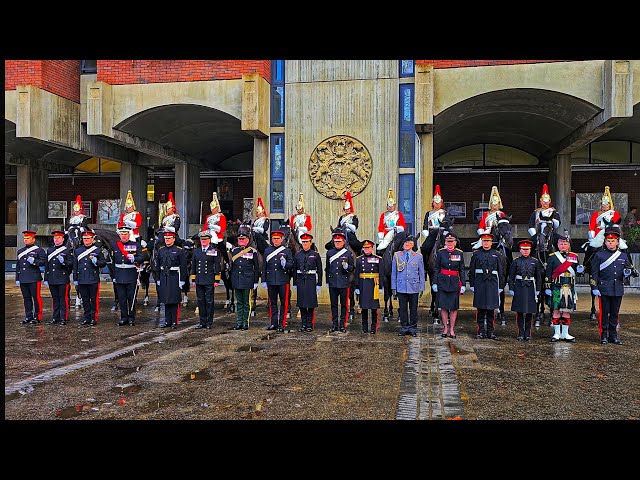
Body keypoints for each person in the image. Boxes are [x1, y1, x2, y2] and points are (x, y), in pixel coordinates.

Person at [590, 228, 639, 345]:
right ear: (605, 242)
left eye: (613, 241)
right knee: (604, 313)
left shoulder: (623, 255)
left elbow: (628, 270)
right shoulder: (599, 255)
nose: (610, 243)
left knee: (614, 313)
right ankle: (604, 336)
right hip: (604, 288)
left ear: (617, 242)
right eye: (608, 241)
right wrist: (594, 288)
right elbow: (594, 273)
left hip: (618, 288)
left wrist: (632, 272)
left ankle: (613, 336)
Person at [544, 233, 583, 342]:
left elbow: (577, 273)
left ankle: (565, 334)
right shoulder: (552, 257)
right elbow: (548, 273)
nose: (563, 246)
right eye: (561, 244)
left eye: (565, 244)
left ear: (569, 244)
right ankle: (556, 334)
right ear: (557, 244)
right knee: (556, 310)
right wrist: (547, 287)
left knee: (566, 311)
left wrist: (580, 271)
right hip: (556, 287)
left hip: (569, 288)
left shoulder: (574, 257)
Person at [469, 233, 507, 339]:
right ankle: (480, 331)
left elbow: (501, 271)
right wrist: (472, 285)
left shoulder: (497, 254)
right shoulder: (476, 254)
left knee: (491, 309)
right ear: (482, 242)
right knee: (480, 309)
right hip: (480, 283)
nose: (486, 243)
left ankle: (490, 331)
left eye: (488, 241)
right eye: (484, 241)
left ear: (491, 242)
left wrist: (501, 286)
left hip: (492, 283)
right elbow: (472, 271)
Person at [432, 232, 466, 338]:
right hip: (443, 282)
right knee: (444, 307)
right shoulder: (441, 253)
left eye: (452, 242)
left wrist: (463, 284)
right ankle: (445, 328)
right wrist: (435, 282)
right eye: (448, 242)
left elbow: (462, 270)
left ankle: (451, 329)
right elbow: (436, 268)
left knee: (454, 307)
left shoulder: (459, 253)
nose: (450, 244)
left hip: (454, 283)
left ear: (455, 243)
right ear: (445, 242)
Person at [508, 239, 543, 341]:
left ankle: (527, 333)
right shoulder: (516, 261)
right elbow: (511, 276)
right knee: (519, 311)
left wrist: (538, 289)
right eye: (523, 249)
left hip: (531, 287)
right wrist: (511, 288)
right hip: (519, 287)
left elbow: (539, 277)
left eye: (527, 249)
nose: (525, 251)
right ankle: (520, 332)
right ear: (520, 250)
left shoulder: (535, 262)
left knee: (529, 312)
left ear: (530, 250)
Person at [153, 231, 187, 329]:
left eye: (169, 238)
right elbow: (158, 266)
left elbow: (183, 266)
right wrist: (158, 278)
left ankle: (174, 321)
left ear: (173, 239)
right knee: (165, 299)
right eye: (166, 239)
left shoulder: (179, 250)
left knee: (174, 299)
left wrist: (182, 279)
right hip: (164, 276)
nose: (167, 240)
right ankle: (167, 321)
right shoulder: (161, 250)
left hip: (174, 276)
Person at [391, 235, 425, 337]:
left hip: (413, 286)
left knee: (413, 309)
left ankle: (413, 327)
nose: (407, 244)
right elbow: (394, 273)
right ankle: (404, 327)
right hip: (401, 286)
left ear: (413, 244)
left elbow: (421, 273)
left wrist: (421, 287)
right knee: (403, 308)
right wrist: (394, 287)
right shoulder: (397, 255)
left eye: (409, 242)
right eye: (405, 242)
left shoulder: (418, 256)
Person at [73, 231, 107, 326]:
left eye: (88, 238)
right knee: (85, 300)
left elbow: (103, 263)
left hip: (93, 279)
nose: (86, 240)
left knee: (93, 300)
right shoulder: (78, 251)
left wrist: (96, 262)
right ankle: (86, 318)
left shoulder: (97, 250)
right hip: (82, 279)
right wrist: (75, 279)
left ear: (92, 239)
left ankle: (93, 318)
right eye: (84, 239)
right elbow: (75, 267)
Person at [262, 230, 295, 332]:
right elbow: (264, 267)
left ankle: (282, 323)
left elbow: (291, 264)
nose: (275, 240)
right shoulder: (267, 251)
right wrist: (264, 280)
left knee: (284, 303)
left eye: (277, 239)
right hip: (271, 280)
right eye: (274, 239)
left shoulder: (287, 251)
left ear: (281, 239)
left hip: (283, 280)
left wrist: (285, 264)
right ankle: (273, 323)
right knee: (273, 303)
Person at [230, 227, 261, 330]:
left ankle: (245, 323)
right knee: (239, 303)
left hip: (247, 281)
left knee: (246, 303)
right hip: (237, 280)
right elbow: (232, 267)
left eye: (243, 239)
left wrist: (255, 281)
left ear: (247, 240)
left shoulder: (252, 252)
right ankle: (239, 322)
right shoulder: (234, 251)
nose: (241, 241)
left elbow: (256, 268)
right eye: (240, 239)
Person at [191, 230, 222, 329]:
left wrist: (217, 280)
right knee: (200, 301)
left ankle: (209, 322)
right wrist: (193, 279)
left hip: (209, 279)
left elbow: (217, 266)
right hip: (199, 279)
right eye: (202, 239)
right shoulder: (196, 251)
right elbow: (194, 266)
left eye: (205, 239)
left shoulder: (214, 251)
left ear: (209, 240)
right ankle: (202, 321)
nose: (203, 241)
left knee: (209, 301)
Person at [113, 226, 144, 326]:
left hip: (131, 274)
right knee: (121, 298)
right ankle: (123, 317)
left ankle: (131, 318)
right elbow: (112, 261)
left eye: (125, 234)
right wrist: (114, 275)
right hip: (119, 275)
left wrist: (134, 258)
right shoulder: (116, 245)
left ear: (129, 235)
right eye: (122, 234)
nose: (123, 236)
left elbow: (141, 257)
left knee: (131, 298)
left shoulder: (135, 245)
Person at [326, 229, 355, 332]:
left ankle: (342, 324)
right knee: (333, 305)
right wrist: (327, 281)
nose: (337, 243)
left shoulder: (347, 253)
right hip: (333, 282)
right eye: (336, 241)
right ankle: (334, 324)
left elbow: (352, 268)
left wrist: (347, 267)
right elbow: (328, 269)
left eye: (339, 241)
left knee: (344, 305)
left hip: (344, 283)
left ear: (343, 242)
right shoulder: (330, 253)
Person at [293, 232, 323, 332]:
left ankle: (309, 324)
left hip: (311, 280)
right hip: (301, 279)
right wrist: (294, 283)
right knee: (301, 303)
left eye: (307, 242)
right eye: (303, 242)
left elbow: (319, 269)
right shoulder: (297, 254)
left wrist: (319, 283)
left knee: (310, 303)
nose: (305, 243)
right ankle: (303, 324)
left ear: (310, 243)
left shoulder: (315, 254)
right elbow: (294, 269)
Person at [16, 230, 47, 324]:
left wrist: (34, 261)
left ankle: (37, 317)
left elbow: (44, 262)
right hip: (23, 278)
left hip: (34, 278)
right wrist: (17, 278)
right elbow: (18, 266)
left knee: (36, 298)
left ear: (33, 239)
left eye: (28, 238)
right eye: (24, 238)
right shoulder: (20, 251)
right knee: (26, 298)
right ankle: (28, 316)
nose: (25, 240)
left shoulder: (39, 250)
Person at [44, 230, 73, 325]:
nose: (56, 240)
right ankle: (55, 317)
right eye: (55, 238)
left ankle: (63, 317)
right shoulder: (50, 250)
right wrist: (46, 278)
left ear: (63, 239)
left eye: (58, 238)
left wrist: (63, 262)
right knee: (55, 299)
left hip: (62, 279)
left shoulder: (67, 250)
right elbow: (47, 266)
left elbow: (71, 264)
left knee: (63, 299)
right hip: (52, 278)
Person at [355, 239, 383, 334]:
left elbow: (381, 273)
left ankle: (374, 327)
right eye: (365, 248)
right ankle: (364, 326)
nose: (366, 249)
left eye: (368, 248)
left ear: (372, 248)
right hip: (363, 284)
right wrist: (357, 287)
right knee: (364, 307)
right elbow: (356, 274)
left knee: (374, 307)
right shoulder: (359, 259)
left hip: (373, 285)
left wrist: (380, 287)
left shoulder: (378, 259)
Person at [421, 184, 453, 259]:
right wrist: (426, 232)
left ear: (441, 203)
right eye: (435, 203)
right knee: (424, 248)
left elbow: (448, 224)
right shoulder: (428, 213)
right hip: (432, 233)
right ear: (433, 203)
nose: (437, 205)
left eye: (438, 203)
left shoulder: (445, 213)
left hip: (443, 233)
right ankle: (425, 267)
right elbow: (425, 225)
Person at [528, 183, 561, 248]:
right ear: (541, 201)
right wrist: (535, 235)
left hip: (551, 233)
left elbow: (557, 224)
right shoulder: (535, 212)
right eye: (544, 201)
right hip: (538, 233)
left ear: (549, 201)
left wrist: (551, 219)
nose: (545, 203)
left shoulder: (554, 212)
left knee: (562, 243)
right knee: (528, 245)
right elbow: (531, 225)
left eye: (547, 201)